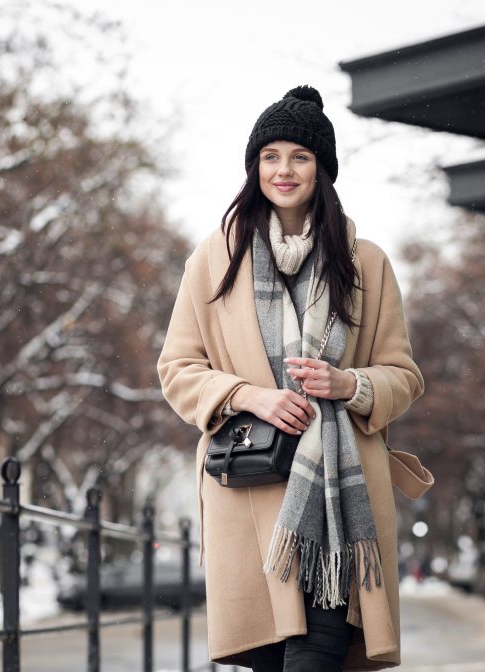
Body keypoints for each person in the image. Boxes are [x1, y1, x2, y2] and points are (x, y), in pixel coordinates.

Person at [157, 85, 432, 671]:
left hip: (338, 501)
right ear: (255, 167)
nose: (283, 170)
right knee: (268, 658)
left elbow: (403, 374)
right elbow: (178, 370)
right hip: (252, 496)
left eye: (299, 157)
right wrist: (247, 395)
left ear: (322, 169)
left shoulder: (366, 263)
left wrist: (349, 385)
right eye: (271, 157)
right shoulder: (213, 259)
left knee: (318, 655)